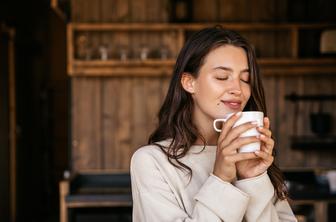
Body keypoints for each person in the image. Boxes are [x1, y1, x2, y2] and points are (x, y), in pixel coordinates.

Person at [130, 26, 297, 221]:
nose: (238, 89)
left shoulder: (253, 156)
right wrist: (220, 179)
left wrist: (252, 178)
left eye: (245, 79)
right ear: (189, 82)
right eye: (222, 77)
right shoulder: (152, 162)